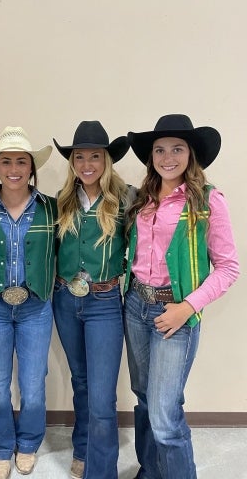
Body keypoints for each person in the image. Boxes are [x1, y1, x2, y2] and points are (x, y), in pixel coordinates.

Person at [124, 114, 239, 479]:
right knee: (144, 400)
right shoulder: (142, 199)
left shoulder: (207, 200)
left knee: (164, 414)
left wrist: (187, 307)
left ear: (191, 155)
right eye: (159, 149)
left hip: (175, 315)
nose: (167, 156)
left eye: (177, 148)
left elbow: (228, 267)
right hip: (136, 306)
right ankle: (151, 471)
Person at [0, 127, 57, 479]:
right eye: (6, 160)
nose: (14, 168)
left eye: (22, 160)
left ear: (32, 167)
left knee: (34, 383)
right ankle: (1, 448)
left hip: (36, 307)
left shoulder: (51, 208)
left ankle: (28, 443)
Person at [52, 121, 130, 479]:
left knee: (102, 396)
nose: (86, 163)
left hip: (104, 302)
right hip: (66, 300)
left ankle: (102, 472)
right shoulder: (62, 201)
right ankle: (82, 447)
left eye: (94, 156)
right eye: (79, 157)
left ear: (106, 160)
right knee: (80, 381)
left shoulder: (125, 198)